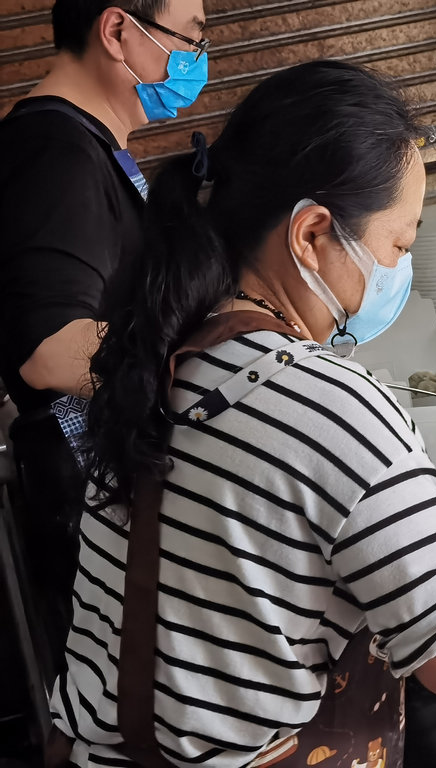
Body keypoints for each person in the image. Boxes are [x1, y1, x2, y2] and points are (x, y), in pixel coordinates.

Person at [48, 60, 436, 767]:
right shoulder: (328, 403)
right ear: (312, 234)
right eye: (399, 245)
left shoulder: (169, 352)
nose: (399, 270)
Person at [0, 0, 208, 682]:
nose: (196, 64)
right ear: (118, 31)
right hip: (87, 490)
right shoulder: (55, 153)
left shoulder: (82, 143)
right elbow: (54, 351)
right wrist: (202, 373)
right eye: (190, 39)